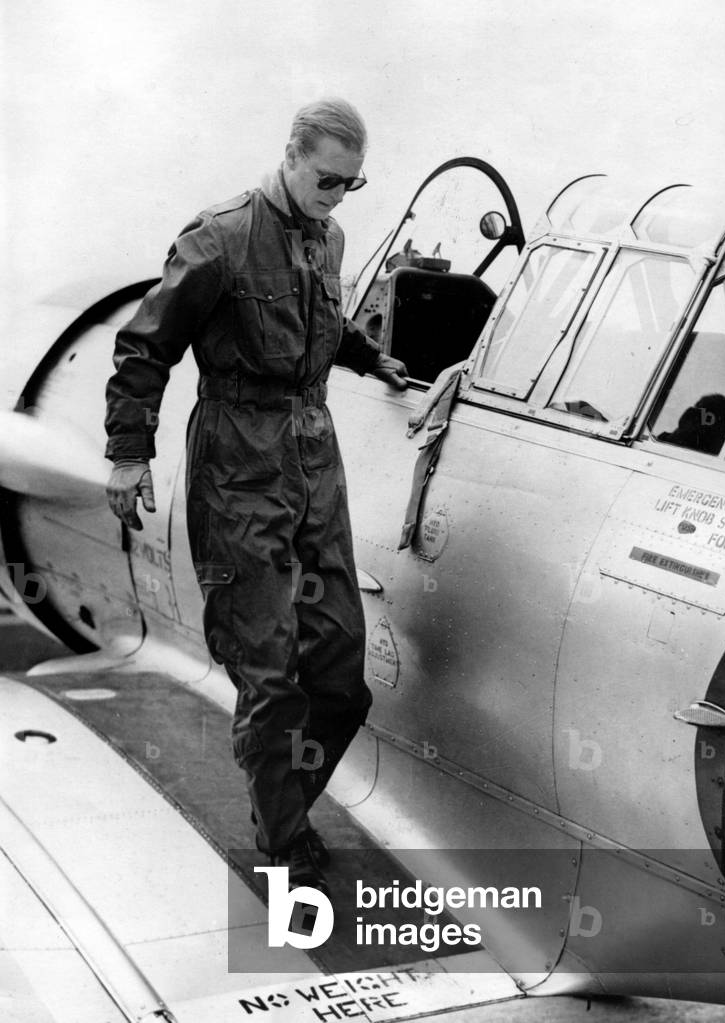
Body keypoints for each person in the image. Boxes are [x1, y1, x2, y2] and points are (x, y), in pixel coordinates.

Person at [104, 98, 408, 894]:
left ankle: (279, 804)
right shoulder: (219, 237)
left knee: (339, 675)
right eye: (327, 179)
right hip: (237, 466)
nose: (337, 197)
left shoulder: (329, 236)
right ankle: (282, 838)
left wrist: (369, 358)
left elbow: (321, 319)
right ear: (291, 156)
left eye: (352, 184)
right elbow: (145, 347)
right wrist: (129, 455)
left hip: (314, 457)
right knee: (270, 676)